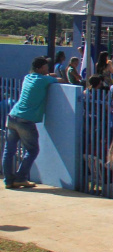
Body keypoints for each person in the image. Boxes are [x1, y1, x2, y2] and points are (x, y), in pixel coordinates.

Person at [2, 57, 66, 189]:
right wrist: (50, 76)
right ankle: (21, 178)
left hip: (13, 116)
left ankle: (8, 180)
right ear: (40, 68)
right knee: (32, 150)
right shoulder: (43, 80)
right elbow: (61, 80)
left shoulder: (28, 77)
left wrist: (47, 75)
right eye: (46, 67)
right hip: (26, 119)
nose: (47, 69)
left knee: (9, 151)